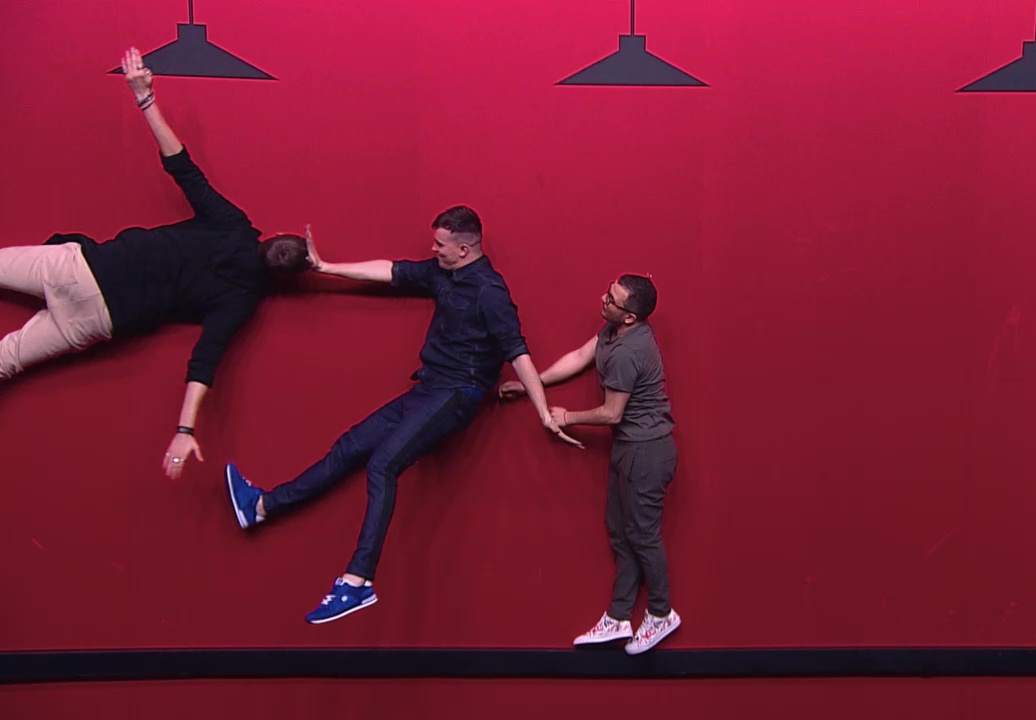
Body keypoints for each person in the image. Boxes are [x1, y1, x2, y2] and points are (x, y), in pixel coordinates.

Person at [224, 207, 582, 624]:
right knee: (350, 446)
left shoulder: (490, 292)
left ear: (464, 249)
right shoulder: (442, 272)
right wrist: (326, 267)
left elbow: (518, 352)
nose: (433, 249)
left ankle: (358, 582)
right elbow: (391, 271)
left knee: (383, 465)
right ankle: (262, 506)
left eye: (440, 244)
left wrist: (543, 411)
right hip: (427, 389)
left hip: (457, 395)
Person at [0, 47, 309, 479]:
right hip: (97, 317)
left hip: (84, 268)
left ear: (270, 234)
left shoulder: (232, 225)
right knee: (7, 359)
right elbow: (205, 360)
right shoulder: (241, 298)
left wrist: (144, 98)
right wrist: (185, 429)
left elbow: (182, 168)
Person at [499, 273, 680, 655]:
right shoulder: (614, 331)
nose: (603, 299)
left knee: (642, 535)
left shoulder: (629, 352)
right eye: (608, 292)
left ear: (629, 316)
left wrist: (567, 417)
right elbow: (582, 356)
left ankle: (662, 613)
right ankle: (619, 617)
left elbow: (612, 413)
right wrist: (533, 385)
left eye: (611, 300)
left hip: (647, 453)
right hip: (629, 448)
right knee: (621, 532)